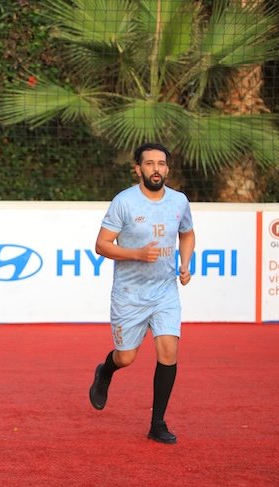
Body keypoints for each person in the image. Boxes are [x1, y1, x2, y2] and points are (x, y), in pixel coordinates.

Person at [88, 142, 195, 444]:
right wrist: (136, 253)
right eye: (149, 164)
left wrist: (185, 264)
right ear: (138, 169)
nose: (156, 169)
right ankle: (105, 372)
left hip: (165, 290)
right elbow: (101, 245)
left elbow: (187, 233)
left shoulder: (179, 201)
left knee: (169, 350)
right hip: (130, 293)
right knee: (126, 357)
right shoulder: (124, 202)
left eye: (161, 164)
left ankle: (157, 424)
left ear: (167, 169)